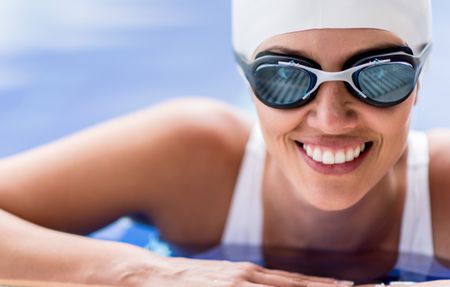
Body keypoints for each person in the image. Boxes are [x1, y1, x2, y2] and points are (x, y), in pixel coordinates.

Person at [0, 0, 449, 286]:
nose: (330, 118)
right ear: (247, 83)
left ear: (418, 83)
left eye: (379, 75)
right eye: (285, 78)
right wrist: (142, 272)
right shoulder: (191, 157)